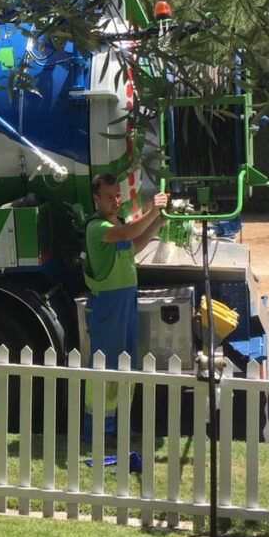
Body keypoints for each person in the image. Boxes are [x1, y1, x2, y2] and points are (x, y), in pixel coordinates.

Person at [83, 173, 169, 444]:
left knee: (125, 367)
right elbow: (129, 233)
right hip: (108, 306)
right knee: (105, 370)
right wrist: (152, 210)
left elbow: (133, 246)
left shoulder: (116, 223)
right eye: (109, 196)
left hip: (125, 301)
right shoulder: (97, 227)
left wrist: (159, 221)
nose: (115, 201)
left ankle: (120, 428)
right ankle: (95, 431)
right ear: (96, 199)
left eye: (118, 195)